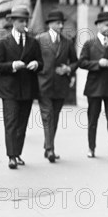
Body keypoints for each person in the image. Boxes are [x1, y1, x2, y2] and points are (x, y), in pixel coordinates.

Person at [0, 5, 43, 169]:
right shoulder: (3, 42)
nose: (24, 24)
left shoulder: (33, 42)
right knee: (11, 123)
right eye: (21, 21)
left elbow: (41, 62)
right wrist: (13, 65)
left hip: (27, 89)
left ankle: (18, 154)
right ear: (13, 22)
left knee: (22, 123)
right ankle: (11, 156)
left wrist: (36, 64)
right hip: (10, 90)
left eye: (25, 21)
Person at [78, 11, 108, 160]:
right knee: (93, 120)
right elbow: (82, 62)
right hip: (94, 88)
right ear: (98, 25)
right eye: (106, 25)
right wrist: (98, 64)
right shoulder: (89, 44)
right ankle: (91, 148)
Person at [36, 10, 78, 163]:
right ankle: (50, 149)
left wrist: (68, 69)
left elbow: (75, 61)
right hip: (44, 85)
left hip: (60, 86)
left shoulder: (67, 42)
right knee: (47, 116)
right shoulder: (40, 40)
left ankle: (48, 145)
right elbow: (34, 60)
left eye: (62, 23)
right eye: (58, 23)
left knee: (54, 117)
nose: (61, 26)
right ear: (50, 24)